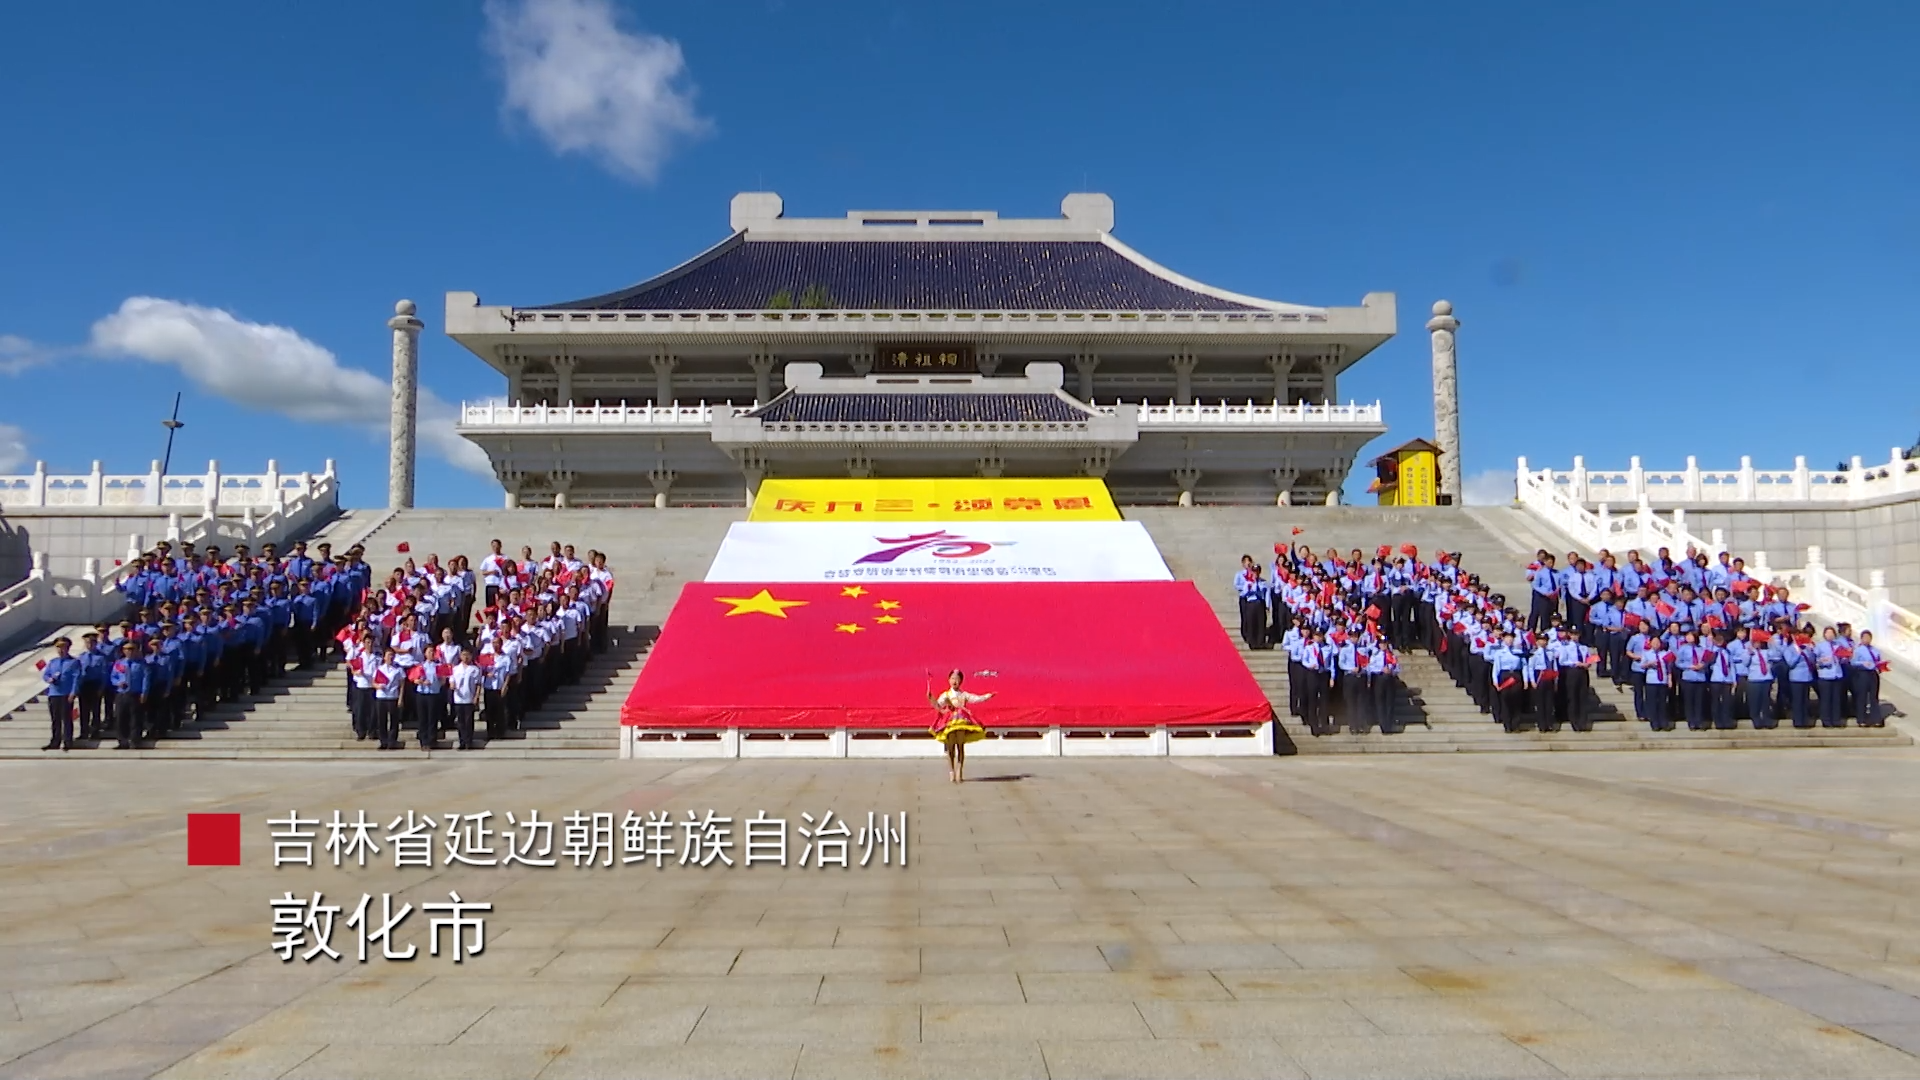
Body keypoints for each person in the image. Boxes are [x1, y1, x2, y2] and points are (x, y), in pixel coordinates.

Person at [928, 670, 991, 783]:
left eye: (957, 679)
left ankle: (959, 771)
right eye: (952, 678)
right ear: (949, 680)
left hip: (961, 722)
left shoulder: (964, 695)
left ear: (961, 681)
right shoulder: (946, 695)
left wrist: (987, 696)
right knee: (951, 747)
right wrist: (930, 697)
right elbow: (937, 705)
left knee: (960, 746)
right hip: (950, 723)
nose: (954, 681)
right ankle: (951, 771)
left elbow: (976, 698)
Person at [40, 637, 83, 751]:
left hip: (66, 694)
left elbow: (76, 678)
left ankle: (68, 741)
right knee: (55, 719)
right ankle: (55, 741)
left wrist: (73, 692)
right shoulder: (53, 662)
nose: (61, 649)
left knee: (67, 719)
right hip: (54, 693)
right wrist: (49, 679)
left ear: (68, 648)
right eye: (58, 647)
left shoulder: (74, 662)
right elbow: (45, 675)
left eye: (63, 647)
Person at [449, 648, 484, 750]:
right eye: (463, 655)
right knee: (460, 722)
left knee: (469, 721)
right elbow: (452, 680)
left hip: (469, 698)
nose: (466, 657)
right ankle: (462, 741)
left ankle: (469, 741)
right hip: (458, 698)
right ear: (460, 656)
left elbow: (478, 684)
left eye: (467, 655)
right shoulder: (456, 669)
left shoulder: (474, 669)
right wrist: (452, 685)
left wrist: (476, 696)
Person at [1849, 630, 1885, 727]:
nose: (1867, 639)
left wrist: (1881, 666)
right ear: (1861, 639)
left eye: (1868, 638)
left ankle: (1876, 719)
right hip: (1862, 674)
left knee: (1874, 697)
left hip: (1873, 674)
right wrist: (1862, 663)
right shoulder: (1858, 650)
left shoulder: (1875, 650)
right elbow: (1853, 663)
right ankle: (1861, 719)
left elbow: (1878, 661)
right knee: (1862, 697)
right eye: (1865, 637)